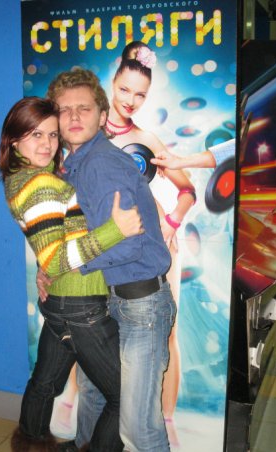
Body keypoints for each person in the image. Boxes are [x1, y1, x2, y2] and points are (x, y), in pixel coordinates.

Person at [0, 97, 144, 452]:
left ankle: (31, 445)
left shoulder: (20, 178)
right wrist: (116, 230)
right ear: (14, 140)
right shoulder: (40, 184)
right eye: (35, 134)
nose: (47, 144)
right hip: (80, 307)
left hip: (62, 303)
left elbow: (48, 248)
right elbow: (56, 258)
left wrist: (44, 268)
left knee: (45, 382)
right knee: (125, 397)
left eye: (52, 135)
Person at [46, 68, 177, 452]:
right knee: (94, 394)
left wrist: (66, 265)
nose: (73, 117)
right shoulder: (75, 165)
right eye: (64, 109)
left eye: (84, 108)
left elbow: (125, 247)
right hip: (109, 301)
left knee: (138, 428)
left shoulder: (101, 164)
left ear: (102, 116)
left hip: (139, 305)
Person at [106, 41, 196, 445]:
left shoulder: (147, 138)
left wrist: (172, 222)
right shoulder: (86, 132)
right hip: (106, 251)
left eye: (140, 94)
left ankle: (164, 421)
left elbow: (187, 190)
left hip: (154, 251)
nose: (130, 100)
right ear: (112, 83)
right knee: (97, 332)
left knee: (164, 334)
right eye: (125, 89)